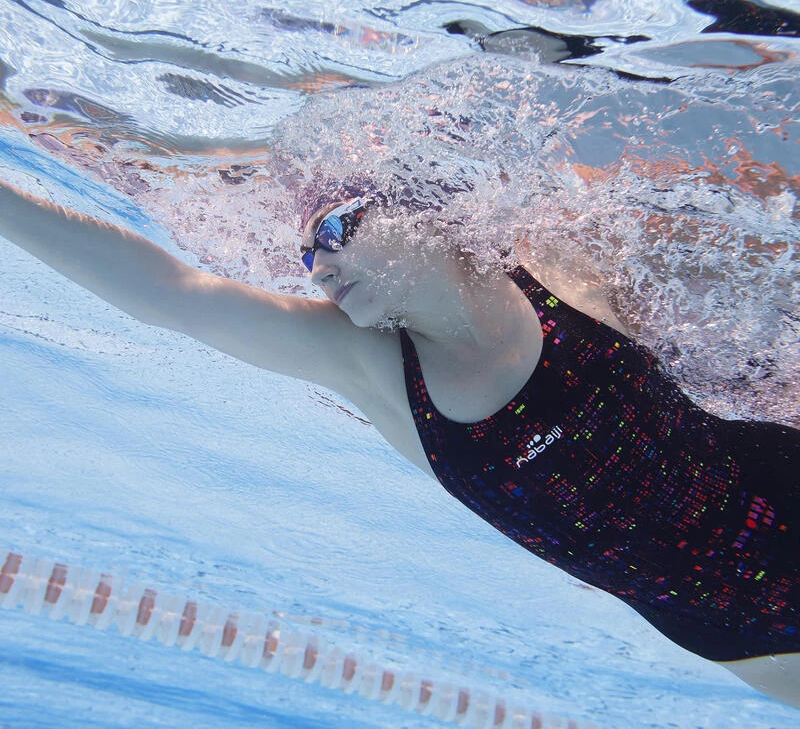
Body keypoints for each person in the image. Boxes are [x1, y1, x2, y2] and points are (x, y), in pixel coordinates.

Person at [1, 177, 798, 709]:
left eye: (335, 229)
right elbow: (170, 295)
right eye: (307, 258)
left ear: (424, 209)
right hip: (730, 637)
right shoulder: (374, 368)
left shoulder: (562, 265)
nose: (317, 264)